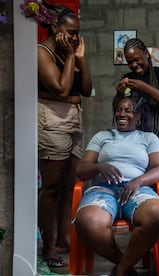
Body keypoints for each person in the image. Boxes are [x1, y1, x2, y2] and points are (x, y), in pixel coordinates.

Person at [74, 93, 159, 276]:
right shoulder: (102, 136)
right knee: (89, 221)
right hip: (103, 190)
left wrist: (137, 181)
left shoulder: (148, 138)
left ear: (138, 116)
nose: (121, 114)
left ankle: (121, 271)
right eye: (118, 110)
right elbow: (81, 170)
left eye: (128, 110)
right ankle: (124, 265)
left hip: (137, 190)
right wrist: (100, 166)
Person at [115, 38, 159, 262]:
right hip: (138, 140)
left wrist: (146, 88)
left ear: (146, 53)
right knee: (141, 185)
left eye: (137, 59)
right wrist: (118, 94)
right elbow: (121, 110)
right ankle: (145, 239)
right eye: (130, 62)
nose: (134, 65)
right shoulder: (130, 79)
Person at [37, 2, 92, 268]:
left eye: (77, 33)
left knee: (68, 186)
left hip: (73, 121)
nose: (74, 37)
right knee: (51, 187)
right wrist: (71, 58)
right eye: (70, 32)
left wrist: (80, 56)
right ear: (54, 27)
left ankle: (62, 240)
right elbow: (61, 89)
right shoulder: (42, 52)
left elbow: (87, 89)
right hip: (51, 120)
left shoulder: (67, 51)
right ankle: (48, 248)